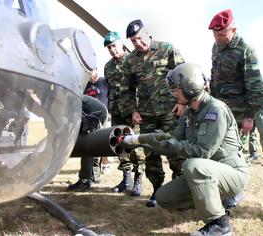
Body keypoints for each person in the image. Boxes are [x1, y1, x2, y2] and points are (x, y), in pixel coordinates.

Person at [123, 63, 248, 236]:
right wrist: (150, 141)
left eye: (176, 89)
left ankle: (220, 224)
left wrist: (171, 144)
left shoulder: (215, 110)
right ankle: (212, 202)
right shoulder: (190, 113)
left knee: (192, 165)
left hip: (231, 173)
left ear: (190, 88)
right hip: (207, 174)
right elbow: (175, 139)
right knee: (164, 197)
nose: (174, 93)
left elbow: (202, 152)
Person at [120, 19, 186, 207]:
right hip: (147, 115)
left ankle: (179, 188)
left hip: (170, 112)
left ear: (148, 33)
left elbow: (184, 75)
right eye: (133, 41)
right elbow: (126, 89)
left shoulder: (167, 49)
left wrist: (183, 102)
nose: (137, 43)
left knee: (176, 151)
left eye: (139, 38)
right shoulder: (130, 60)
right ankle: (157, 189)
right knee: (151, 154)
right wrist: (132, 110)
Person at [208, 9, 263, 162]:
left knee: (237, 156)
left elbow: (254, 85)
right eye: (215, 35)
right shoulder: (216, 46)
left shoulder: (246, 49)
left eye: (221, 35)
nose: (217, 38)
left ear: (234, 30)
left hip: (239, 113)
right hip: (220, 110)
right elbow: (214, 76)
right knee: (218, 153)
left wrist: (249, 116)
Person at [103, 31, 145, 196]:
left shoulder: (134, 60)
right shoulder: (108, 67)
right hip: (116, 111)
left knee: (136, 145)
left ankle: (138, 180)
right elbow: (110, 89)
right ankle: (126, 179)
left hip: (133, 111)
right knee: (120, 145)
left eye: (114, 45)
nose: (112, 50)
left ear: (121, 43)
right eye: (109, 47)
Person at [68, 70, 109, 191]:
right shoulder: (71, 95)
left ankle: (85, 181)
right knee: (89, 147)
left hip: (98, 115)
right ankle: (90, 177)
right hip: (92, 114)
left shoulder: (71, 97)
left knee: (87, 148)